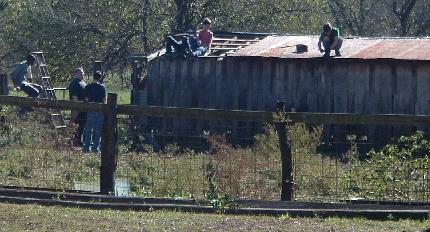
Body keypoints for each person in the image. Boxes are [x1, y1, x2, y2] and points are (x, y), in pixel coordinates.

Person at [83, 71, 106, 153]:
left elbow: (86, 99)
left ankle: (86, 148)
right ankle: (96, 149)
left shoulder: (87, 86)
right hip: (99, 110)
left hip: (90, 110)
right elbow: (104, 100)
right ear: (100, 78)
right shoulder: (102, 87)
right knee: (97, 130)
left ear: (93, 77)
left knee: (89, 129)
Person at [68, 68, 87, 147]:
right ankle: (74, 142)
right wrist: (76, 108)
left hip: (84, 109)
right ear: (75, 74)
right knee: (75, 125)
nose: (82, 74)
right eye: (80, 73)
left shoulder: (83, 83)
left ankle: (78, 141)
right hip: (77, 108)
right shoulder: (74, 83)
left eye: (83, 73)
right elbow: (75, 97)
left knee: (81, 126)